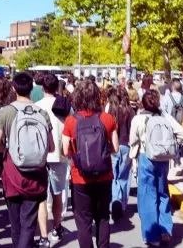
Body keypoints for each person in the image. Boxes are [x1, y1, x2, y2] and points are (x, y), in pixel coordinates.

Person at [0, 73, 54, 248]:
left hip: (12, 174)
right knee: (28, 223)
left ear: (14, 88)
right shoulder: (41, 113)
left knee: (15, 222)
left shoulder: (6, 112)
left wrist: (9, 150)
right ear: (31, 89)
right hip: (35, 175)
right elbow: (51, 147)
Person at [62, 79, 119, 248]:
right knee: (102, 218)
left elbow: (66, 151)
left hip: (80, 179)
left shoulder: (71, 121)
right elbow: (115, 148)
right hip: (104, 176)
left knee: (83, 222)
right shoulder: (107, 119)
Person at [129, 89, 183, 246]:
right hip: (163, 159)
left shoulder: (138, 119)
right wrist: (171, 147)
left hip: (145, 157)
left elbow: (132, 140)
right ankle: (165, 230)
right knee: (163, 193)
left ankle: (152, 235)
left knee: (148, 196)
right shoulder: (165, 117)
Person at [35, 73, 70, 246]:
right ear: (57, 88)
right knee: (57, 195)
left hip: (40, 156)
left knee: (41, 197)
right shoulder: (64, 105)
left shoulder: (36, 107)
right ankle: (57, 227)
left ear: (42, 88)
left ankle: (43, 236)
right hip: (60, 155)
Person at [108, 87, 135, 221]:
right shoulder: (130, 111)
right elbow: (132, 130)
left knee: (113, 175)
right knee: (124, 176)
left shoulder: (112, 110)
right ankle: (123, 204)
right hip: (127, 145)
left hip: (114, 146)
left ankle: (114, 201)